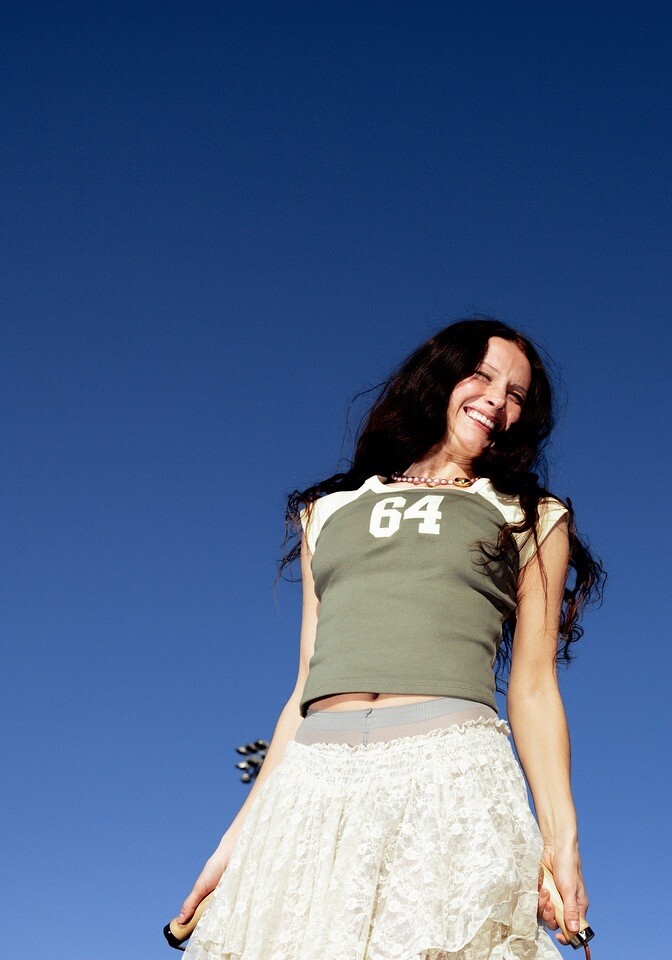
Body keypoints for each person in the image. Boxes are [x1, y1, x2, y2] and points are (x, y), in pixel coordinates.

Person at [172, 317, 602, 960]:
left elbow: (535, 688)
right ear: (439, 377)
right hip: (311, 787)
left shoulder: (531, 515)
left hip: (449, 774)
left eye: (515, 394)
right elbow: (304, 687)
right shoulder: (327, 511)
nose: (496, 399)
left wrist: (560, 841)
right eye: (482, 375)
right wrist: (235, 842)